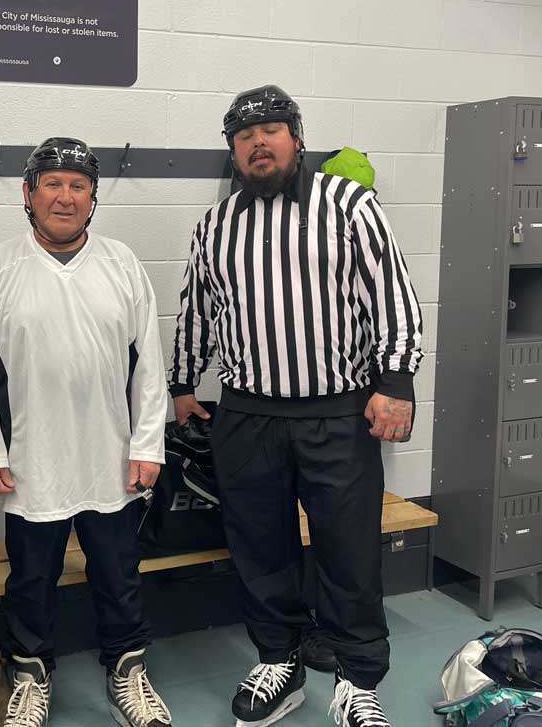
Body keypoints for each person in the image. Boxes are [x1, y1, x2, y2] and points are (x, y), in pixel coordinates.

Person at [169, 86, 423, 727]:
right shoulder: (217, 223)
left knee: (349, 548)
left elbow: (393, 295)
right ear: (233, 151)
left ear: (297, 136)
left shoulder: (350, 205)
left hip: (338, 414)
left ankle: (357, 678)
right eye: (245, 135)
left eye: (272, 129)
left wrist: (396, 382)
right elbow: (199, 310)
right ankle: (278, 658)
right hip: (247, 415)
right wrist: (180, 385)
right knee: (259, 547)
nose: (260, 142)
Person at [0, 137, 173, 727]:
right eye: (52, 184)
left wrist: (147, 446)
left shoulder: (121, 263)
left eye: (78, 185)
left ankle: (128, 672)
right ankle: (30, 675)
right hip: (30, 462)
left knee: (119, 576)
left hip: (109, 460)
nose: (65, 196)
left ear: (92, 198)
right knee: (30, 579)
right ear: (28, 194)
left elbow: (150, 367)